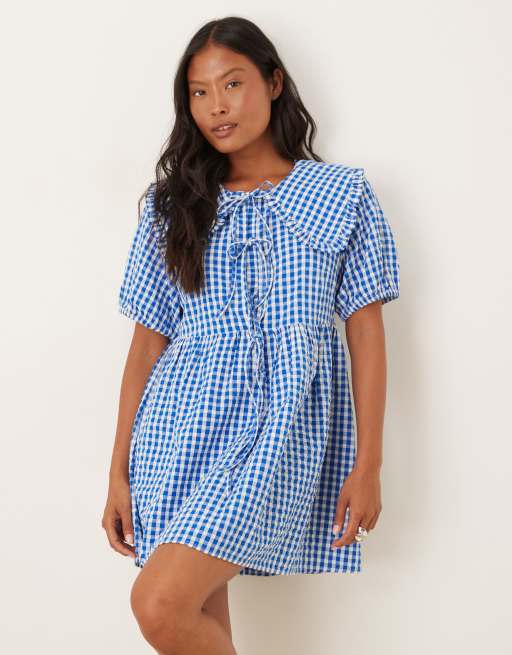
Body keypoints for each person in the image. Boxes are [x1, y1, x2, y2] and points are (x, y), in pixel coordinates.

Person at [102, 16, 400, 654]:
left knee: (159, 603)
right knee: (186, 611)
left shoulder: (341, 195)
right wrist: (117, 470)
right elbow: (147, 344)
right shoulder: (172, 206)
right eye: (199, 92)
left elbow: (366, 333)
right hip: (178, 429)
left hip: (279, 429)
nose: (217, 106)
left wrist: (369, 463)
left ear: (274, 82)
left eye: (232, 83)